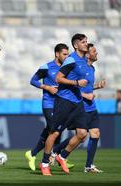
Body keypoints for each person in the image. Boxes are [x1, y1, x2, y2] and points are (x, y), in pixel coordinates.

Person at [39, 33, 89, 176]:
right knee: (54, 133)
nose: (86, 43)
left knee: (82, 133)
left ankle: (62, 156)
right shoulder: (71, 60)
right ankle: (44, 163)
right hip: (64, 101)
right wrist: (76, 83)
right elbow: (58, 78)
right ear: (76, 45)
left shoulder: (84, 60)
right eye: (83, 42)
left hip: (77, 101)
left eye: (87, 41)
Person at [25, 43, 74, 171]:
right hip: (48, 104)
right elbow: (33, 80)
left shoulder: (67, 68)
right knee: (54, 131)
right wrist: (47, 87)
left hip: (61, 104)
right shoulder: (46, 67)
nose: (67, 56)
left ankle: (33, 154)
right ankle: (52, 156)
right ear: (57, 54)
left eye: (68, 54)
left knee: (53, 131)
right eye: (64, 54)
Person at [80, 43, 106, 173]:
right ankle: (57, 153)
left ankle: (88, 166)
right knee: (81, 135)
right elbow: (71, 89)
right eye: (94, 51)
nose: (97, 53)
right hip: (82, 107)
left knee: (96, 134)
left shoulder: (92, 68)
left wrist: (97, 86)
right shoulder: (79, 68)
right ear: (87, 54)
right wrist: (86, 96)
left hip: (92, 107)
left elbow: (88, 87)